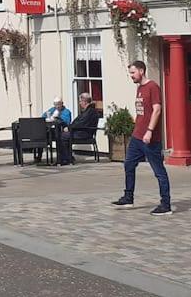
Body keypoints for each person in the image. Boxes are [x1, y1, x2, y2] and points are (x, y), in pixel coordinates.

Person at [112, 60, 172, 215]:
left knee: (159, 171)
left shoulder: (153, 87)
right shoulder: (140, 88)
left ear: (141, 71)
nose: (131, 76)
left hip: (149, 138)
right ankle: (128, 197)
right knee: (128, 164)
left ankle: (166, 205)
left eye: (133, 72)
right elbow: (141, 112)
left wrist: (150, 130)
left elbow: (157, 110)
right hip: (137, 136)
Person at [57, 92, 102, 166]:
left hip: (84, 133)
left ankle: (66, 159)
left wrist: (69, 128)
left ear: (85, 101)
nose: (80, 103)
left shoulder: (90, 111)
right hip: (81, 131)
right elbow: (78, 122)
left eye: (80, 101)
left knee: (62, 136)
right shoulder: (87, 111)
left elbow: (81, 123)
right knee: (63, 135)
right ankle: (67, 158)